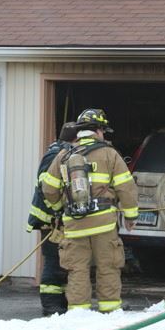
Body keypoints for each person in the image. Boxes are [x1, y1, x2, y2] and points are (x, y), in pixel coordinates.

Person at [41, 108, 138, 312]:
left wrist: (60, 208)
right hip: (104, 223)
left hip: (75, 223)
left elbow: (48, 189)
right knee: (108, 267)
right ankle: (109, 310)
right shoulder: (110, 154)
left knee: (77, 270)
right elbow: (126, 188)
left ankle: (78, 313)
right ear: (99, 130)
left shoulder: (64, 155)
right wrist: (130, 216)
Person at [27, 121, 78, 316]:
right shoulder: (55, 156)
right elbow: (47, 189)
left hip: (56, 219)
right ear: (75, 139)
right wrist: (58, 212)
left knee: (63, 260)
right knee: (54, 261)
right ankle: (51, 305)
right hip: (51, 221)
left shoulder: (61, 152)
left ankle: (60, 302)